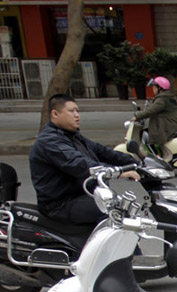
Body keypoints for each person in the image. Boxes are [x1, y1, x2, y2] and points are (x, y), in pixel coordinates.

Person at [29, 94, 140, 225]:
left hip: (81, 195)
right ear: (55, 114)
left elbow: (102, 151)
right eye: (71, 111)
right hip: (60, 204)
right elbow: (78, 164)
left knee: (125, 207)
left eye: (78, 111)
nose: (77, 115)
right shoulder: (50, 141)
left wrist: (137, 163)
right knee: (113, 211)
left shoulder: (72, 136)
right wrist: (118, 172)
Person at [133, 76, 177, 153]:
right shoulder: (166, 97)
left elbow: (151, 110)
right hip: (171, 124)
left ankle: (157, 156)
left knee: (149, 135)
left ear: (160, 88)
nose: (153, 89)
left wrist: (137, 117)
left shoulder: (162, 99)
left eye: (154, 87)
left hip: (169, 126)